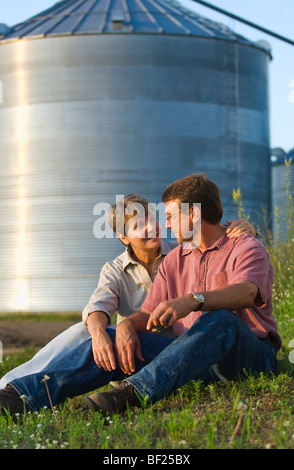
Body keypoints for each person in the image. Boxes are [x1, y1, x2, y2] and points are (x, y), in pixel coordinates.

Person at [0, 187, 260, 416]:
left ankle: (131, 392)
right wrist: (112, 330)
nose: (156, 227)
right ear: (124, 237)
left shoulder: (183, 251)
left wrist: (246, 229)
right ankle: (17, 395)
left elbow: (218, 240)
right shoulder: (118, 269)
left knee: (219, 319)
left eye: (156, 219)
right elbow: (103, 307)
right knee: (87, 332)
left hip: (196, 345)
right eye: (139, 225)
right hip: (146, 349)